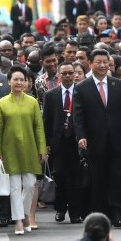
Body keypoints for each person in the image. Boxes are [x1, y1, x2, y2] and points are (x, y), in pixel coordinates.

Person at [73, 50, 121, 228]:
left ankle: (120, 215)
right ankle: (101, 218)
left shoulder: (118, 85)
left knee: (118, 178)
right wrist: (81, 136)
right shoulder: (82, 87)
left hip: (117, 141)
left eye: (105, 62)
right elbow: (78, 116)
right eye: (98, 62)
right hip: (94, 142)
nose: (102, 65)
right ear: (90, 63)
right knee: (97, 181)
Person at [0, 66, 48, 235]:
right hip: (9, 150)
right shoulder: (2, 103)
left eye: (22, 79)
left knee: (31, 185)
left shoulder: (32, 101)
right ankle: (18, 221)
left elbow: (39, 128)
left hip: (30, 149)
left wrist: (42, 149)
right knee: (15, 187)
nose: (19, 82)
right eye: (15, 79)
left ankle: (24, 214)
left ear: (26, 82)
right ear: (9, 81)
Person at [43, 62, 84, 224]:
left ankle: (75, 212)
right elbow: (46, 120)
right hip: (58, 143)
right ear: (59, 76)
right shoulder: (51, 95)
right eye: (64, 73)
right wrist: (46, 143)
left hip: (76, 142)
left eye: (70, 73)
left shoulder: (81, 92)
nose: (68, 76)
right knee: (60, 176)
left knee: (76, 178)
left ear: (75, 74)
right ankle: (60, 209)